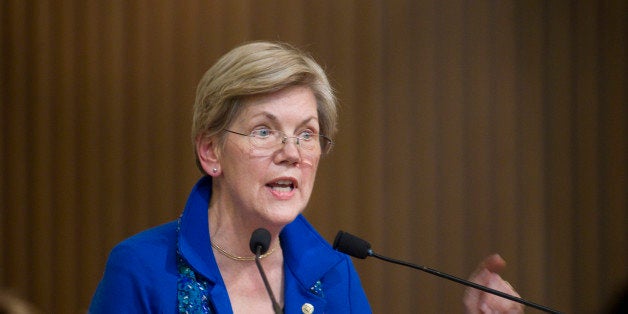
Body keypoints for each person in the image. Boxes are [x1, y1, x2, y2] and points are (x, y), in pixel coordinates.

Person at [89, 41, 523, 313]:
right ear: (210, 151)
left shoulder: (334, 274)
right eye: (264, 130)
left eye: (307, 135)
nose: (291, 153)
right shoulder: (143, 269)